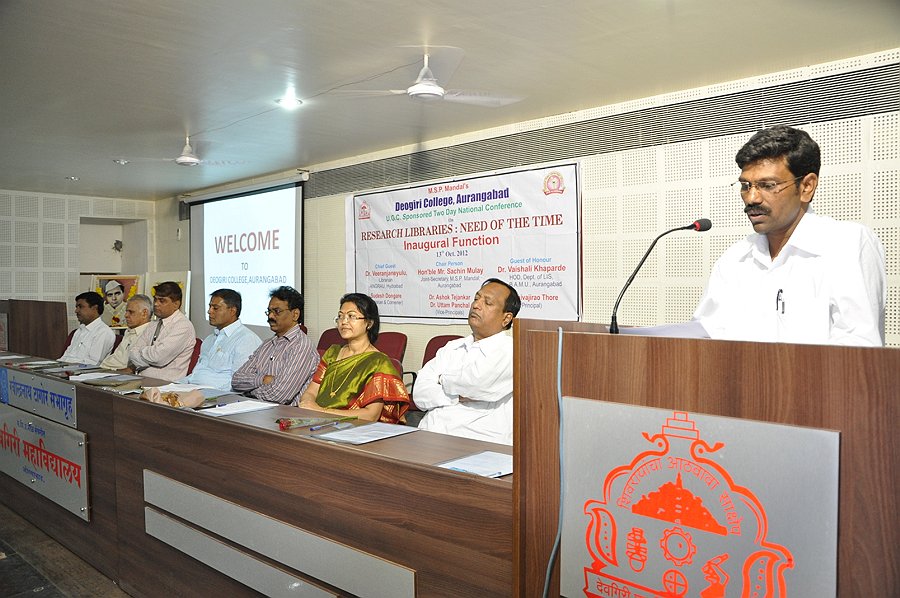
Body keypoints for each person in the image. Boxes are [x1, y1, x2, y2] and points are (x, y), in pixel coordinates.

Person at [693, 125, 886, 346]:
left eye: (768, 185)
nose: (752, 198)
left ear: (806, 187)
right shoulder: (734, 259)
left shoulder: (846, 244)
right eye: (746, 185)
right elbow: (705, 333)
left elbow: (858, 348)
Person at [415, 278, 520, 445]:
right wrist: (457, 396)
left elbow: (478, 384)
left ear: (506, 318)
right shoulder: (452, 347)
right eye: (476, 298)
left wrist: (442, 379)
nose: (476, 305)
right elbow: (420, 393)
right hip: (430, 434)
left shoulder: (511, 350)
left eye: (487, 303)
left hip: (477, 442)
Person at [298, 293, 410, 423]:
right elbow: (310, 392)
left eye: (351, 316)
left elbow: (370, 415)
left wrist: (321, 412)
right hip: (316, 422)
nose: (344, 322)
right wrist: (308, 404)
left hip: (352, 426)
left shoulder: (379, 362)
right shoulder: (332, 353)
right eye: (340, 316)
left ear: (369, 323)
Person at [231, 286, 319, 405]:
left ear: (295, 314)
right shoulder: (267, 344)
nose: (270, 316)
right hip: (257, 407)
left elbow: (279, 395)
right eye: (269, 311)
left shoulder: (301, 346)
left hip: (284, 413)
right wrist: (263, 379)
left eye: (277, 311)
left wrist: (249, 393)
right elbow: (236, 380)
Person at [180, 289, 262, 390]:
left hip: (218, 395)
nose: (209, 311)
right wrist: (175, 385)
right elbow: (197, 374)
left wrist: (206, 393)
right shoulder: (210, 339)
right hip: (192, 389)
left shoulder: (246, 340)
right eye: (210, 307)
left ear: (232, 311)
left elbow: (240, 383)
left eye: (215, 308)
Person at [126, 281, 196, 381]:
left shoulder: (183, 326)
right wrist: (150, 354)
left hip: (165, 385)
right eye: (155, 299)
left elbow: (158, 358)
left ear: (176, 304)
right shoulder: (154, 324)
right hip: (142, 380)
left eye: (162, 301)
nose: (156, 304)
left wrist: (142, 353)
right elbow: (133, 352)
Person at [60, 291, 115, 365]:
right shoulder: (79, 331)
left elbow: (92, 364)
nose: (76, 311)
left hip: (82, 371)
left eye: (80, 307)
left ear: (95, 308)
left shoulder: (103, 332)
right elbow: (65, 357)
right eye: (76, 307)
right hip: (66, 369)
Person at [100, 294, 153, 370]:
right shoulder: (129, 331)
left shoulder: (150, 333)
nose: (126, 315)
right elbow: (117, 358)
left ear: (144, 313)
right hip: (104, 369)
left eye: (131, 312)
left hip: (116, 374)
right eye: (126, 311)